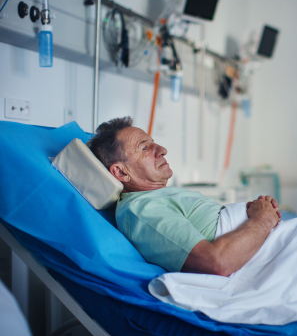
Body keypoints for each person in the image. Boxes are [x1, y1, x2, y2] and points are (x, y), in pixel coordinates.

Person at [87, 116, 281, 276]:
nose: (162, 150)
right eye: (144, 147)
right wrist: (262, 220)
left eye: (153, 142)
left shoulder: (156, 198)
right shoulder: (142, 209)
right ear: (121, 173)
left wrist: (254, 212)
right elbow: (217, 263)